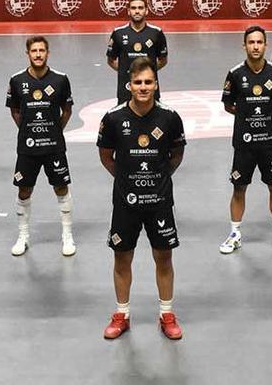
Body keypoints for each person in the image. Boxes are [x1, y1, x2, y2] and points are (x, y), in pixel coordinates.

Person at [97, 57, 186, 340]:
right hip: (126, 203)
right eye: (138, 82)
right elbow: (106, 156)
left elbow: (177, 154)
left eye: (148, 82)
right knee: (122, 258)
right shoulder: (113, 118)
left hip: (159, 202)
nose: (143, 87)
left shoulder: (170, 118)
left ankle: (167, 314)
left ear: (156, 84)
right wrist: (127, 180)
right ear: (129, 85)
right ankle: (122, 314)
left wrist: (158, 179)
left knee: (164, 256)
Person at [219, 26, 272, 255]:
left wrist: (266, 118)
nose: (255, 46)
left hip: (270, 142)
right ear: (244, 45)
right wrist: (247, 116)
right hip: (244, 143)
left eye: (259, 42)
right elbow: (228, 104)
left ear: (265, 45)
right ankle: (235, 233)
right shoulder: (235, 74)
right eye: (251, 42)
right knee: (239, 188)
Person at [6, 36, 76, 256]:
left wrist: (55, 129)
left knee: (61, 187)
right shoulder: (16, 80)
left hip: (54, 146)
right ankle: (23, 236)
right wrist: (26, 128)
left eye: (42, 50)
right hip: (27, 148)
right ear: (27, 53)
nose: (38, 54)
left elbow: (67, 109)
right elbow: (15, 110)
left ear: (48, 53)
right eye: (34, 50)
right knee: (24, 189)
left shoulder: (60, 79)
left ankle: (67, 236)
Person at [105, 0, 168, 104]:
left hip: (150, 89)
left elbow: (163, 60)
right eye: (133, 8)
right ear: (128, 11)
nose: (137, 11)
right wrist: (126, 71)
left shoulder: (156, 33)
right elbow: (111, 60)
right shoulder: (118, 33)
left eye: (140, 8)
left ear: (146, 11)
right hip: (125, 89)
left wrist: (146, 72)